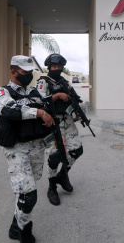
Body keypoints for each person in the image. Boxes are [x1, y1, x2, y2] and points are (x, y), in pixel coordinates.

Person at [0, 55, 55, 243]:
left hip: (37, 147)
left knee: (26, 190)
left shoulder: (36, 92)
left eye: (31, 73)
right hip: (17, 149)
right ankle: (24, 232)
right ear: (13, 72)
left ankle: (15, 225)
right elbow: (9, 111)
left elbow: (50, 116)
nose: (29, 76)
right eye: (24, 73)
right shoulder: (2, 93)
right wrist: (39, 112)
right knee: (29, 195)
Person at [36, 53, 84, 206]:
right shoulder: (43, 82)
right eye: (54, 66)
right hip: (52, 121)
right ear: (49, 67)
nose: (57, 69)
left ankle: (63, 175)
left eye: (59, 67)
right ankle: (51, 187)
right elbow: (37, 101)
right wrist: (57, 96)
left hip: (68, 120)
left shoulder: (64, 81)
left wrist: (78, 113)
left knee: (77, 150)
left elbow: (73, 99)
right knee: (54, 156)